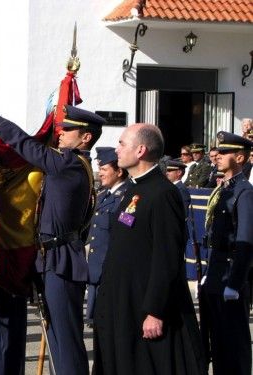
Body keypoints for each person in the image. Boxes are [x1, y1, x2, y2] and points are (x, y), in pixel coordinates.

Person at [0, 86, 104, 375]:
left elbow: (22, 143)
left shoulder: (70, 165)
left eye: (68, 130)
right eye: (60, 128)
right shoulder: (68, 164)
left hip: (61, 262)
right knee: (56, 336)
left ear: (85, 137)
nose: (60, 133)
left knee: (67, 339)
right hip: (52, 259)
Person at [93, 124, 206, 375]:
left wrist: (155, 310)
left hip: (143, 305)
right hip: (122, 302)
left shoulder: (163, 193)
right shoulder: (133, 189)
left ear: (141, 150)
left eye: (122, 143)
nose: (117, 149)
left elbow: (166, 257)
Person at [201, 131, 253, 375]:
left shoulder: (245, 192)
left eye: (224, 152)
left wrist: (235, 282)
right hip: (216, 273)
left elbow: (245, 242)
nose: (217, 156)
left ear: (240, 157)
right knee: (218, 341)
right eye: (217, 152)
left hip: (230, 277)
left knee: (234, 344)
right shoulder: (225, 189)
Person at [85, 147, 129, 325]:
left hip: (112, 273)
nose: (100, 174)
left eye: (104, 169)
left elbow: (127, 233)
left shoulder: (127, 197)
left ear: (119, 171)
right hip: (97, 270)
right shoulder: (103, 196)